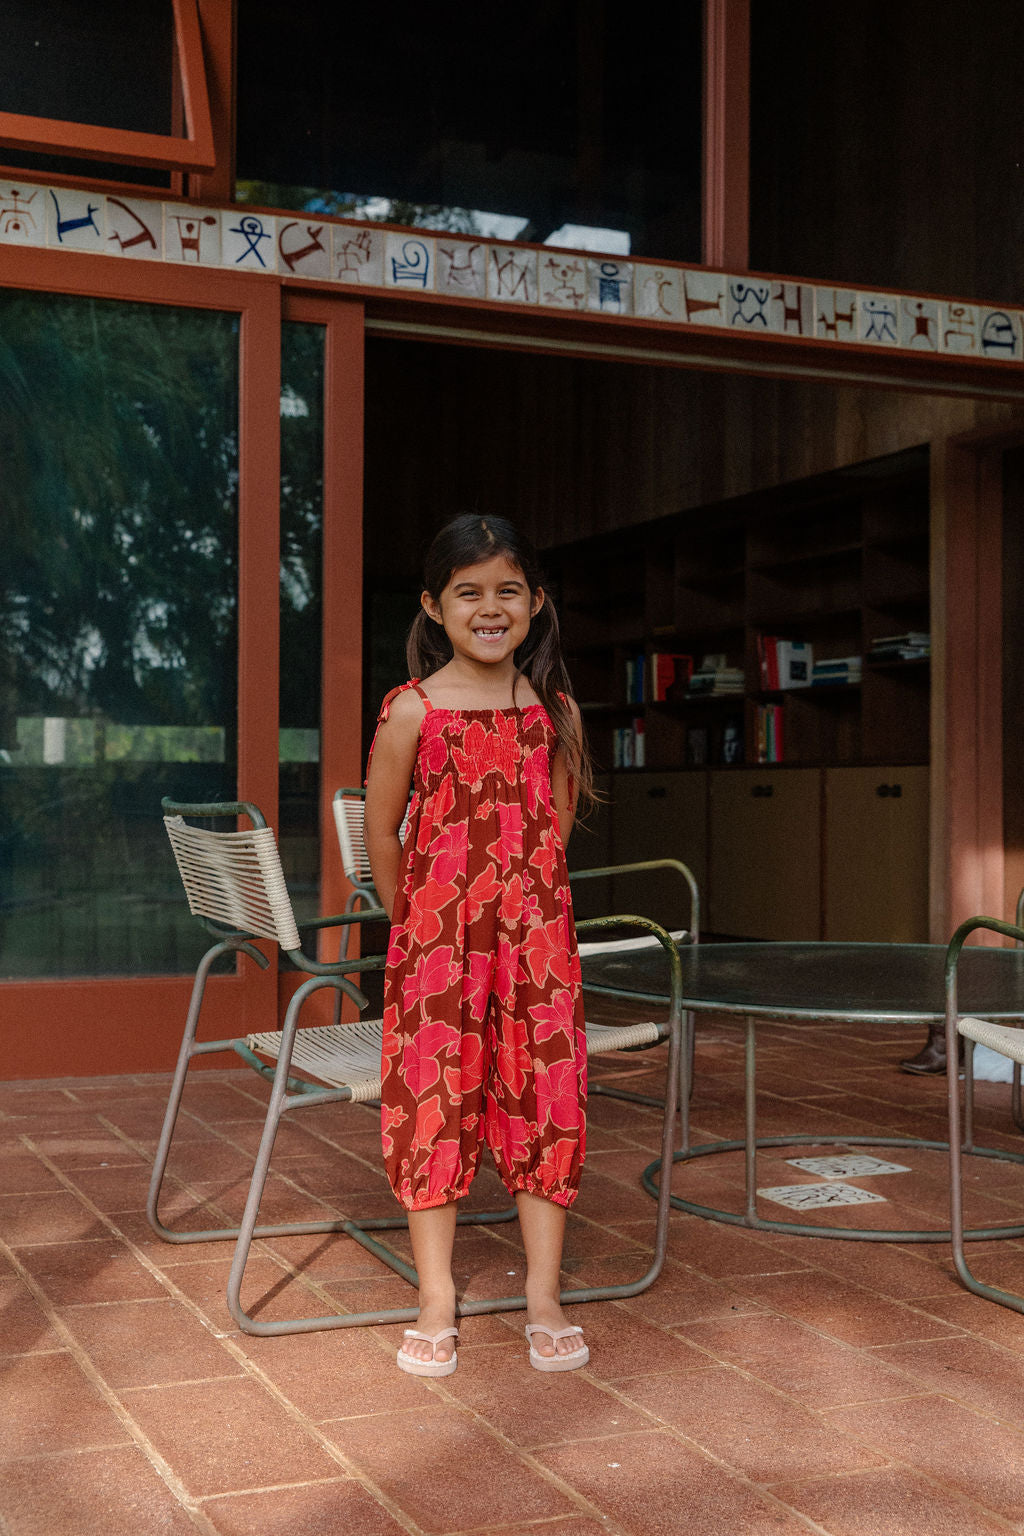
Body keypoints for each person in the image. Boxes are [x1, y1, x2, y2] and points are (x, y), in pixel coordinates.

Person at [364, 514, 596, 1379]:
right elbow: (382, 830)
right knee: (436, 1098)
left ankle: (542, 1294)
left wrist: (520, 908)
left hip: (536, 940)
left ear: (535, 604)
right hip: (435, 944)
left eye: (508, 591)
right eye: (469, 593)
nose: (489, 608)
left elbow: (554, 828)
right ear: (434, 606)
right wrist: (415, 921)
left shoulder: (554, 710)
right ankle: (437, 1297)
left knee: (546, 1094)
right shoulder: (411, 711)